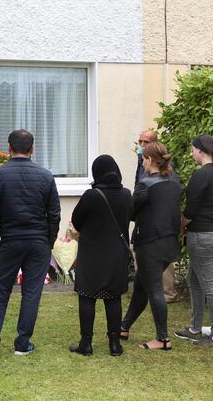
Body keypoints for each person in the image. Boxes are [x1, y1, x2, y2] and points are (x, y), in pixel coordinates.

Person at [0, 130, 60, 356]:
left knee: (0, 291)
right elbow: (54, 215)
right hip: (38, 241)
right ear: (32, 149)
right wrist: (48, 241)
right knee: (32, 293)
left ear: (9, 149)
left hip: (9, 240)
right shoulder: (46, 176)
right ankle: (22, 343)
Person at [68, 155, 132, 356]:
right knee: (113, 298)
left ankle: (86, 343)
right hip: (116, 254)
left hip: (92, 253)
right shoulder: (126, 194)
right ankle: (114, 344)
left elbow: (77, 221)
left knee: (87, 296)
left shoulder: (92, 195)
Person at [120, 142, 181, 350]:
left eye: (143, 159)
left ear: (149, 160)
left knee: (154, 289)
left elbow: (130, 212)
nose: (142, 162)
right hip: (170, 243)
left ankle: (163, 339)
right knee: (141, 286)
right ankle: (124, 327)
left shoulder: (145, 184)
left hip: (149, 243)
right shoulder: (174, 182)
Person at [174, 134, 213, 349]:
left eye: (192, 149)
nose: (191, 153)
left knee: (209, 285)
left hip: (202, 236)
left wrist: (181, 226)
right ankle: (195, 328)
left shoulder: (201, 175)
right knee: (194, 279)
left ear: (199, 150)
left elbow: (191, 209)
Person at [136, 129, 178, 303]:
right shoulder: (142, 162)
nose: (142, 145)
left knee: (161, 262)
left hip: (161, 224)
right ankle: (145, 292)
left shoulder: (167, 170)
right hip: (145, 217)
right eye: (140, 141)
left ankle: (167, 293)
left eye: (146, 142)